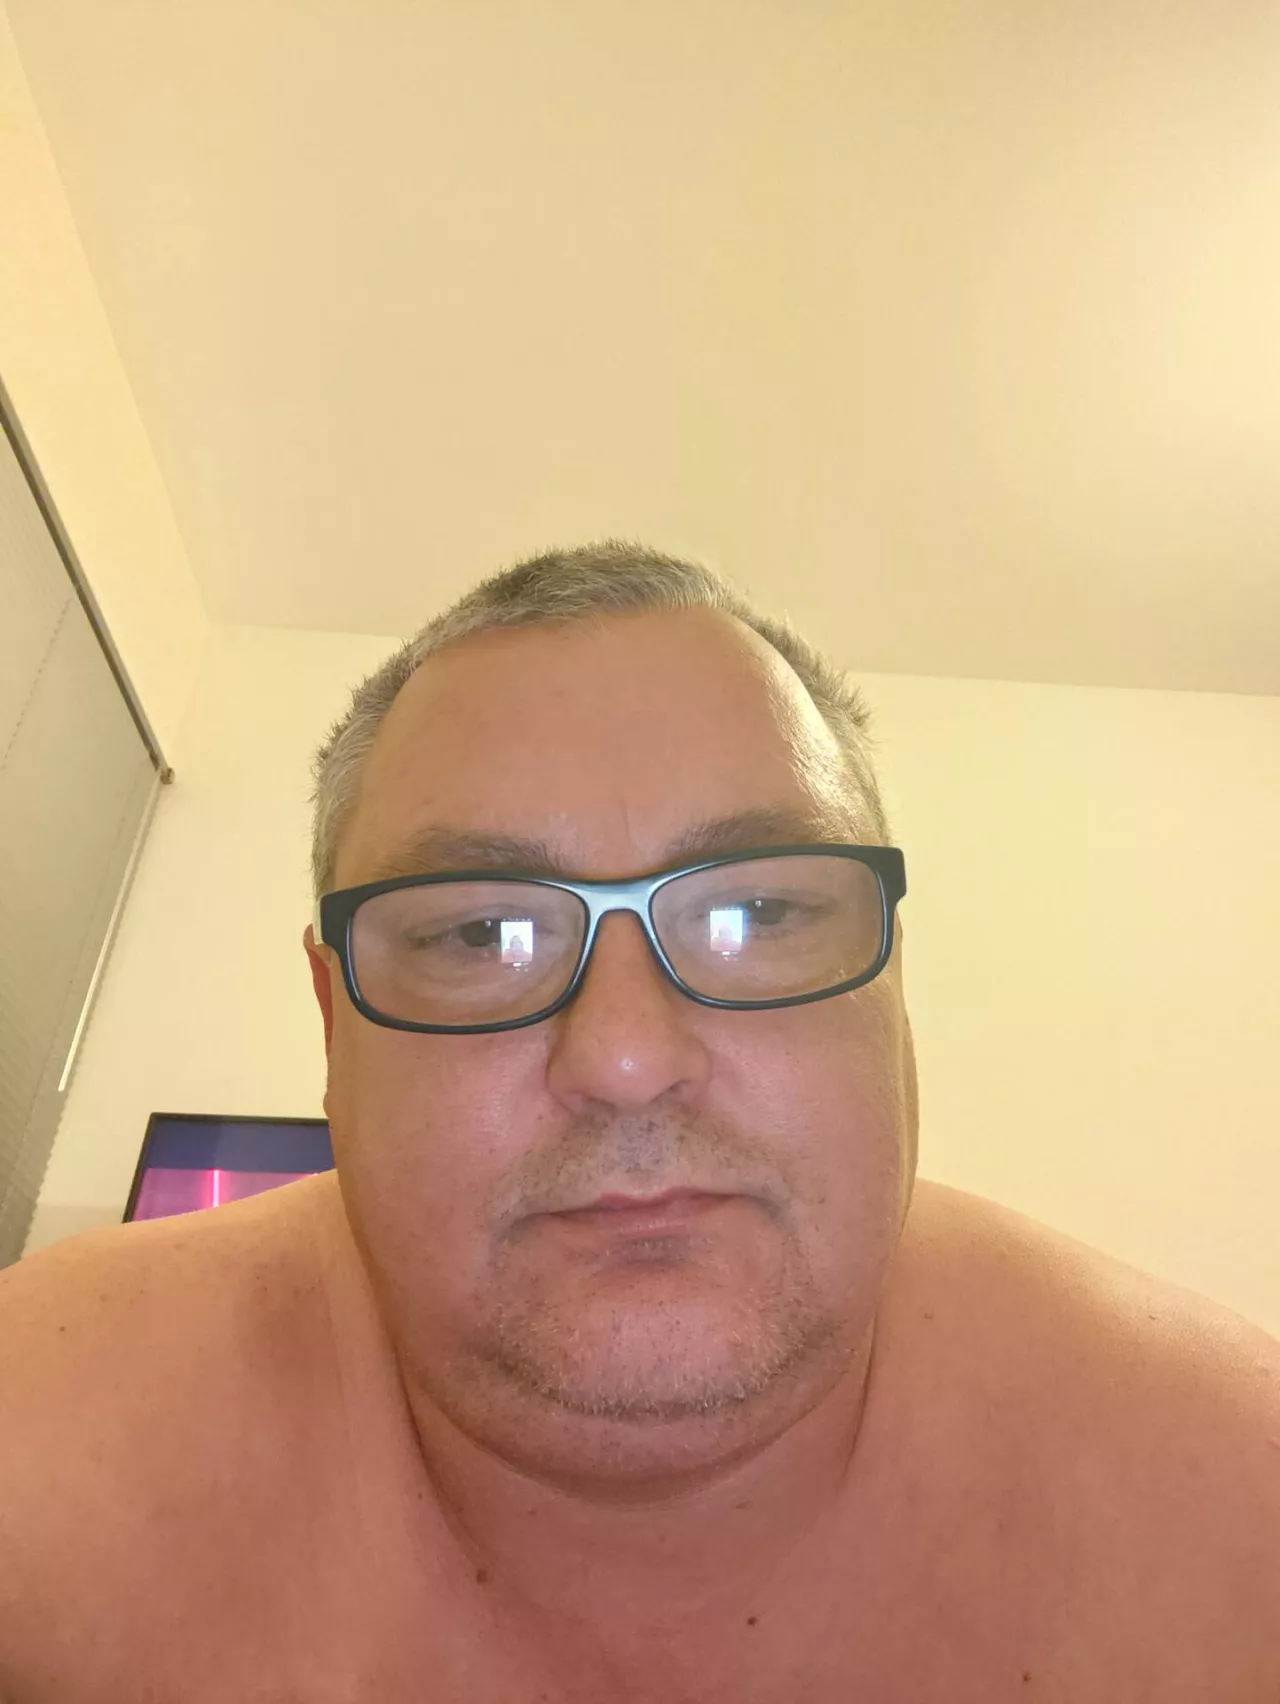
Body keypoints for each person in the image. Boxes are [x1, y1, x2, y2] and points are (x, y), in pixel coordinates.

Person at [1, 542, 1277, 1702]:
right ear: (335, 1028)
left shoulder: (1235, 1529)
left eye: (756, 916)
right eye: (481, 933)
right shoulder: (37, 1477)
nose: (623, 1058)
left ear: (891, 987)